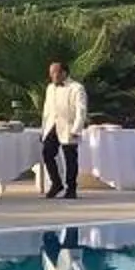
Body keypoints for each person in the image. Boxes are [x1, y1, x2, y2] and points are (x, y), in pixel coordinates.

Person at [40, 59, 89, 200]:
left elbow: (81, 110)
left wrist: (76, 129)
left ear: (64, 73)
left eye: (55, 72)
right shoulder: (50, 88)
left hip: (69, 127)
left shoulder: (76, 88)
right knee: (47, 153)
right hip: (52, 126)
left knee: (70, 158)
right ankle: (56, 183)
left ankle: (71, 188)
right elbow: (46, 110)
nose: (52, 75)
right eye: (51, 73)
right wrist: (43, 130)